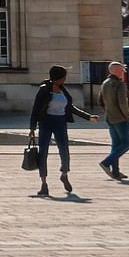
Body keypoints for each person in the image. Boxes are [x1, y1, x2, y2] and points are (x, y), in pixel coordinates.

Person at [28, 65, 98, 197]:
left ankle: (64, 174)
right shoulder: (44, 90)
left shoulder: (63, 90)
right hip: (46, 122)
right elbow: (35, 108)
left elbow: (70, 108)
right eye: (64, 76)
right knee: (43, 153)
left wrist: (88, 117)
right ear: (58, 77)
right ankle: (44, 184)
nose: (66, 78)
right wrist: (32, 128)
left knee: (64, 150)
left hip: (60, 122)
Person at [98, 61, 129, 181]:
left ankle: (116, 172)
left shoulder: (105, 83)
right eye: (122, 70)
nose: (123, 72)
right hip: (120, 118)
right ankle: (106, 162)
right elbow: (123, 103)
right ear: (118, 71)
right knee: (127, 144)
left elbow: (100, 101)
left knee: (116, 145)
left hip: (110, 117)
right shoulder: (119, 85)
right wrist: (127, 115)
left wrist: (107, 111)